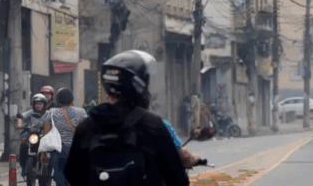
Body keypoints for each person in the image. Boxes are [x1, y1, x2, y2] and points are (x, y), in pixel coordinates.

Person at [64, 50, 189, 186]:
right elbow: (178, 179)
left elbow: (72, 175)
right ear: (141, 86)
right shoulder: (152, 125)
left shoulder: (86, 126)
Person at [43, 88, 87, 186]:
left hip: (59, 152)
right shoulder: (82, 112)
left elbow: (46, 131)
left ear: (58, 99)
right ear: (72, 99)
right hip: (77, 151)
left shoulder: (52, 112)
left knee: (60, 179)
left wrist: (45, 152)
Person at [17, 94, 47, 179]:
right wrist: (20, 125)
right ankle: (23, 166)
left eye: (40, 104)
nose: (38, 105)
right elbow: (20, 117)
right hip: (31, 134)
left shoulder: (48, 113)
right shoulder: (30, 112)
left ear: (44, 104)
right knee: (23, 143)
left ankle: (53, 169)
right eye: (36, 104)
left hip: (43, 134)